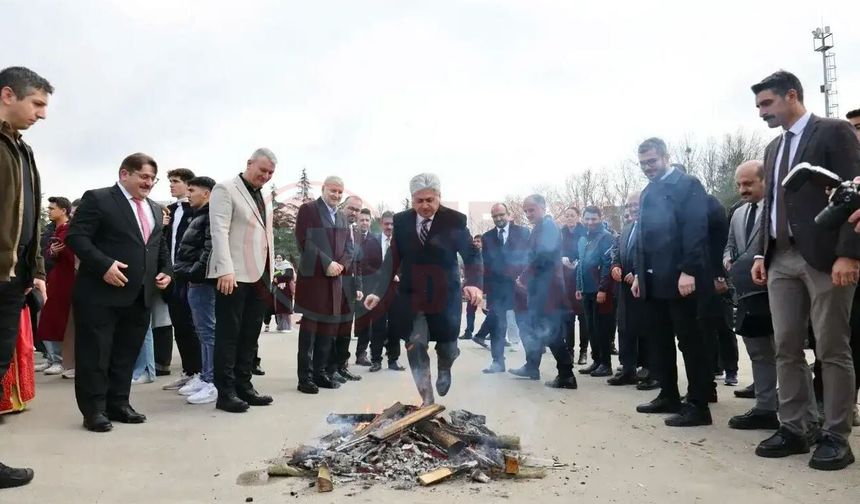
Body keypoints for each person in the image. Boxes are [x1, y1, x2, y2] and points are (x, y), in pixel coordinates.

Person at [749, 71, 860, 470]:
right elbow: (773, 204)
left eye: (767, 104)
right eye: (759, 106)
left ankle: (836, 435)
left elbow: (855, 192)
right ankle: (796, 427)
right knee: (786, 347)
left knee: (832, 347)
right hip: (781, 258)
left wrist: (849, 254)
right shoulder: (772, 149)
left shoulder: (833, 133)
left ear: (791, 95)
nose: (762, 112)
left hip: (825, 257)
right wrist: (763, 254)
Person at [67, 152, 173, 432]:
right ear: (124, 174)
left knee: (126, 354)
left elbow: (157, 246)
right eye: (143, 176)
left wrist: (167, 271)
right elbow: (76, 236)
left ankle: (119, 403)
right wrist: (103, 265)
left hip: (140, 295)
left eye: (153, 178)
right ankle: (94, 410)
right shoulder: (99, 199)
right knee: (96, 354)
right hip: (99, 294)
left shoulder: (153, 208)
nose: (148, 183)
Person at [364, 173, 482, 405]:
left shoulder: (454, 220)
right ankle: (427, 400)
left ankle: (446, 367)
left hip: (445, 296)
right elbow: (392, 258)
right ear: (412, 199)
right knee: (415, 345)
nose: (425, 205)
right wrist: (377, 291)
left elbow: (471, 255)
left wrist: (474, 282)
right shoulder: (402, 221)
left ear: (439, 197)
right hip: (412, 296)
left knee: (447, 347)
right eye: (419, 201)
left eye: (430, 200)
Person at [631, 137, 714, 427]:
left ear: (666, 157)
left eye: (652, 161)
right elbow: (642, 239)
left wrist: (689, 270)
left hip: (681, 278)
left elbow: (696, 229)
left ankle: (698, 404)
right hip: (654, 280)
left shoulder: (687, 185)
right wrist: (640, 275)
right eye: (642, 164)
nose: (647, 168)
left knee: (690, 342)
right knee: (659, 340)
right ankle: (668, 394)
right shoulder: (647, 193)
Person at [0, 65, 51, 489]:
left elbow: (28, 219)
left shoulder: (22, 149)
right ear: (7, 95)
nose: (42, 114)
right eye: (37, 103)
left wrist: (35, 272)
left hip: (12, 280)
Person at [207, 149, 276, 412]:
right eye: (262, 170)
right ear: (249, 163)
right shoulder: (225, 189)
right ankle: (225, 392)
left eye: (270, 173)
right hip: (233, 276)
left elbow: (265, 235)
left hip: (260, 276)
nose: (265, 176)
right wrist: (225, 269)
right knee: (229, 335)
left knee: (250, 335)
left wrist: (271, 271)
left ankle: (244, 386)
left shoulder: (264, 196)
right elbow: (219, 230)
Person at [723, 160, 782, 431]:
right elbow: (730, 245)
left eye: (748, 183)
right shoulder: (737, 213)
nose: (742, 189)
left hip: (777, 292)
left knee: (785, 351)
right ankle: (765, 407)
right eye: (739, 184)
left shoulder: (778, 210)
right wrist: (727, 259)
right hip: (747, 293)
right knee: (758, 351)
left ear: (764, 181)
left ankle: (804, 413)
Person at [294, 176, 356, 393]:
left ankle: (321, 373)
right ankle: (305, 378)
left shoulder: (342, 217)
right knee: (310, 333)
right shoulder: (308, 210)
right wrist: (326, 263)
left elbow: (349, 247)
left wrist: (341, 265)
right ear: (323, 189)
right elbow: (304, 240)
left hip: (335, 281)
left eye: (340, 192)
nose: (337, 195)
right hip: (315, 280)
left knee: (328, 331)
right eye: (333, 191)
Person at [509, 194, 577, 389]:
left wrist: (523, 276)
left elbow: (542, 256)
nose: (529, 214)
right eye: (526, 211)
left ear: (543, 208)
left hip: (549, 291)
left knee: (550, 332)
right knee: (537, 330)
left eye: (532, 210)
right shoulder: (539, 228)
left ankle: (566, 375)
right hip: (540, 290)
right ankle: (532, 366)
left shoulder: (548, 226)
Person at [173, 176, 218, 404]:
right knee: (201, 331)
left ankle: (212, 382)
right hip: (194, 281)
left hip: (203, 283)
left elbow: (210, 249)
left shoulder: (211, 216)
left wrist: (193, 273)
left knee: (208, 332)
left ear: (207, 193)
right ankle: (205, 376)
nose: (187, 193)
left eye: (192, 189)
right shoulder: (198, 215)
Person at [160, 167, 202, 387]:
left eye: (175, 181)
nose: (171, 185)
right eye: (170, 181)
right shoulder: (170, 211)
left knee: (193, 325)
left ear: (188, 185)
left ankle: (199, 373)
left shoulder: (196, 210)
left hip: (190, 275)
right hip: (173, 275)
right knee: (180, 325)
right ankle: (188, 370)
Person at [609, 191, 655, 388]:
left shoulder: (652, 228)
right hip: (624, 289)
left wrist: (638, 273)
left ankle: (650, 370)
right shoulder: (627, 229)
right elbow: (618, 253)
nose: (632, 209)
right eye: (628, 206)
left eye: (636, 204)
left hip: (645, 288)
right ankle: (627, 369)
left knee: (647, 330)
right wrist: (616, 267)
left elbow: (652, 255)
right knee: (625, 328)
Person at [479, 203, 530, 374]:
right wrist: (485, 293)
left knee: (524, 325)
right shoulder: (487, 237)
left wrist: (525, 281)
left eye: (501, 215)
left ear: (508, 214)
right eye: (495, 216)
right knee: (496, 326)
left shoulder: (523, 232)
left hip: (519, 287)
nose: (498, 219)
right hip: (497, 289)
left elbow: (530, 258)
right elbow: (485, 266)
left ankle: (531, 365)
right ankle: (498, 362)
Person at [35, 197, 74, 376]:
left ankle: (61, 360)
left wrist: (60, 251)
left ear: (63, 210)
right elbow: (48, 254)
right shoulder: (54, 230)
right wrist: (52, 252)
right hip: (56, 279)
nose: (49, 211)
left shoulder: (70, 230)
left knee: (62, 320)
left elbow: (74, 254)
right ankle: (52, 358)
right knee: (48, 318)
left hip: (67, 280)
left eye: (52, 208)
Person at [575, 206, 615, 378]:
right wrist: (579, 286)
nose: (590, 222)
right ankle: (597, 361)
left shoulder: (606, 237)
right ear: (583, 219)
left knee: (602, 328)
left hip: (601, 291)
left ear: (600, 218)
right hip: (587, 291)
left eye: (594, 219)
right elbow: (581, 263)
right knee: (591, 328)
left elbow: (607, 264)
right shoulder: (584, 238)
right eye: (587, 219)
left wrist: (603, 288)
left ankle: (606, 364)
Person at [367, 211, 405, 372]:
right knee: (378, 327)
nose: (389, 227)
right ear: (381, 223)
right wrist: (381, 276)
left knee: (396, 327)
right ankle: (376, 360)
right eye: (386, 223)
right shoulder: (371, 241)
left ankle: (393, 360)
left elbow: (408, 264)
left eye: (392, 224)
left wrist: (398, 275)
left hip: (396, 291)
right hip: (377, 291)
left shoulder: (401, 243)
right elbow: (365, 264)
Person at [560, 206, 589, 365]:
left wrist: (578, 261)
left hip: (581, 277)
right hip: (565, 278)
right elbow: (555, 250)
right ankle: (569, 350)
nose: (569, 218)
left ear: (578, 217)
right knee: (568, 317)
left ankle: (583, 350)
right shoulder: (561, 232)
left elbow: (587, 249)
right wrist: (562, 258)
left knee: (583, 317)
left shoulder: (584, 232)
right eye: (567, 215)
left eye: (572, 215)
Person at [272, 254, 295, 332]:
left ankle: (287, 327)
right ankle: (280, 326)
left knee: (285, 307)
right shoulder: (274, 267)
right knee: (279, 308)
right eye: (277, 258)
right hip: (278, 289)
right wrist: (278, 278)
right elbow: (272, 277)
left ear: (283, 258)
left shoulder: (288, 266)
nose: (278, 259)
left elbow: (289, 276)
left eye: (280, 257)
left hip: (286, 290)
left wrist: (278, 279)